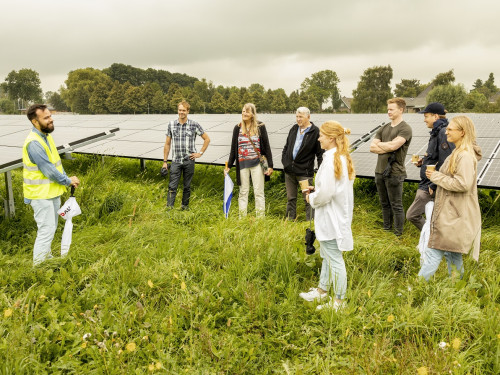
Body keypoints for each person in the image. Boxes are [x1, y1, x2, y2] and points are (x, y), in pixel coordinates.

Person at [299, 121, 355, 311]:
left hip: (332, 217)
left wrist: (311, 198)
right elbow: (332, 188)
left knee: (334, 259)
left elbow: (326, 194)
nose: (319, 138)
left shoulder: (332, 160)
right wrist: (318, 189)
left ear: (331, 138)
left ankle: (339, 301)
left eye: (322, 135)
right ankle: (323, 290)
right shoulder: (338, 157)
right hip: (334, 215)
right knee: (328, 255)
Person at [418, 116, 482, 281]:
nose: (446, 132)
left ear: (462, 132)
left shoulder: (465, 156)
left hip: (453, 215)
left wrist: (437, 177)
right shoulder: (458, 152)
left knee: (433, 251)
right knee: (453, 254)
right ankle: (456, 290)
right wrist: (435, 183)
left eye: (450, 129)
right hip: (453, 213)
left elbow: (463, 184)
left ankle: (415, 290)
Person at [23, 104, 80, 265]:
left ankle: (46, 258)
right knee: (46, 230)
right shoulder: (34, 143)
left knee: (50, 228)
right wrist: (68, 180)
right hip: (40, 195)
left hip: (50, 193)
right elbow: (49, 170)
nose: (51, 119)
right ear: (35, 122)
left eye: (50, 116)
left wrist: (66, 178)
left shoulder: (45, 137)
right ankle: (38, 268)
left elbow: (56, 166)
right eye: (46, 117)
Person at [406, 102, 455, 230]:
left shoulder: (443, 133)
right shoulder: (436, 132)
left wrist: (434, 184)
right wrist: (423, 162)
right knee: (433, 217)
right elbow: (436, 157)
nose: (424, 120)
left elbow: (446, 162)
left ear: (436, 117)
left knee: (412, 214)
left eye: (426, 116)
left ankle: (431, 239)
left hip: (430, 184)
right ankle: (433, 242)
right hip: (428, 182)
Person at [370, 98, 412, 236]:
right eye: (388, 109)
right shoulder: (384, 128)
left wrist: (383, 145)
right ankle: (386, 230)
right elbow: (372, 147)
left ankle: (397, 234)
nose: (388, 112)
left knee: (396, 205)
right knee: (384, 203)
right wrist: (388, 146)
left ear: (401, 110)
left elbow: (395, 146)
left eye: (391, 109)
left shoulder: (405, 128)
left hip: (395, 172)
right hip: (379, 171)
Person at [225, 103, 273, 217]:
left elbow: (266, 146)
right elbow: (233, 149)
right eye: (243, 111)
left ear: (252, 114)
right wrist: (228, 167)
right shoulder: (237, 128)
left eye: (247, 111)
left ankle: (260, 218)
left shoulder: (260, 126)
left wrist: (270, 165)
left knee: (259, 192)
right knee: (243, 192)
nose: (244, 114)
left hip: (257, 164)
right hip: (242, 165)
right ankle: (242, 218)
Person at [163, 101, 210, 210]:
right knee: (172, 186)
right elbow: (167, 144)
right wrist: (165, 162)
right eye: (180, 110)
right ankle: (169, 208)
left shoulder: (194, 124)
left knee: (187, 186)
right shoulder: (171, 124)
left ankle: (184, 206)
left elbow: (207, 139)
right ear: (177, 111)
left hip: (189, 160)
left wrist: (200, 153)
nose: (181, 112)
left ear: (188, 111)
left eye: (184, 110)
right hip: (176, 160)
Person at [281, 107, 324, 221]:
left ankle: (310, 222)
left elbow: (320, 154)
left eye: (301, 117)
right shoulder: (294, 129)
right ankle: (290, 220)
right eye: (297, 117)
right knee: (291, 198)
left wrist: (321, 172)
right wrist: (285, 163)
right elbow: (286, 147)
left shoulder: (315, 132)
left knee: (308, 199)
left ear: (308, 117)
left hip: (304, 172)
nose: (298, 119)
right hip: (290, 171)